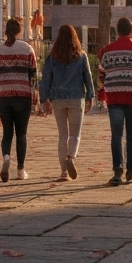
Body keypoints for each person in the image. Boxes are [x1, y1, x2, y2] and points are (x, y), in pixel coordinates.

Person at [97, 17, 132, 186]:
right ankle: (131, 169)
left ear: (117, 31)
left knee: (116, 134)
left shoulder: (107, 51)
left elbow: (101, 75)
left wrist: (102, 93)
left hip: (114, 97)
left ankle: (117, 169)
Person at [40, 24, 94, 181]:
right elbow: (88, 78)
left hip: (58, 98)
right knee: (75, 134)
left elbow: (46, 79)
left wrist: (45, 99)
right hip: (76, 97)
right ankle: (71, 157)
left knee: (62, 135)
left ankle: (64, 171)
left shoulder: (52, 57)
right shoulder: (81, 56)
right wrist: (90, 96)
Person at [0, 17, 38, 182]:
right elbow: (33, 76)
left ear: (6, 31)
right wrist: (35, 98)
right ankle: (20, 170)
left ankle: (6, 158)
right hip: (22, 95)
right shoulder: (27, 49)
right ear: (18, 31)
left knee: (7, 133)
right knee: (21, 133)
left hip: (3, 95)